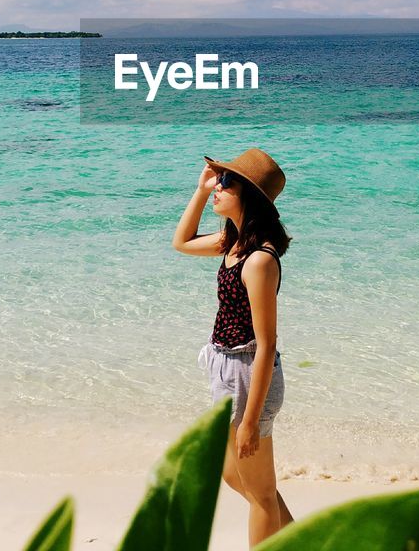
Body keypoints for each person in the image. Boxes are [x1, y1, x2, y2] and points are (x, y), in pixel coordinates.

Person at [173, 147, 294, 546]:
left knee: (260, 494)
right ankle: (300, 540)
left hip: (248, 372)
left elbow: (266, 344)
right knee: (231, 473)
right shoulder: (231, 244)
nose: (217, 189)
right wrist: (200, 188)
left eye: (226, 183)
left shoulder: (259, 260)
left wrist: (249, 420)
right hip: (224, 368)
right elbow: (182, 242)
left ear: (249, 196)